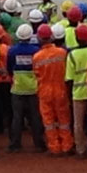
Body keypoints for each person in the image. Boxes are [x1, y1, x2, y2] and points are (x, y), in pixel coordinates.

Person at [33, 24, 73, 156]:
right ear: (51, 37)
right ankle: (67, 146)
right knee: (64, 119)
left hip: (45, 91)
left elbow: (37, 74)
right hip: (60, 89)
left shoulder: (37, 57)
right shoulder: (62, 53)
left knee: (49, 121)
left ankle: (54, 147)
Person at [7, 24, 44, 153]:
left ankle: (15, 144)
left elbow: (9, 68)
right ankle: (39, 144)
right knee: (35, 117)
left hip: (17, 88)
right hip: (33, 88)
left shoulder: (12, 51)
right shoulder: (36, 51)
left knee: (17, 118)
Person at [65, 24, 87, 157]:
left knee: (78, 124)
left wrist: (69, 96)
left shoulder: (72, 55)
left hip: (78, 93)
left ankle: (81, 149)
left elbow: (69, 79)